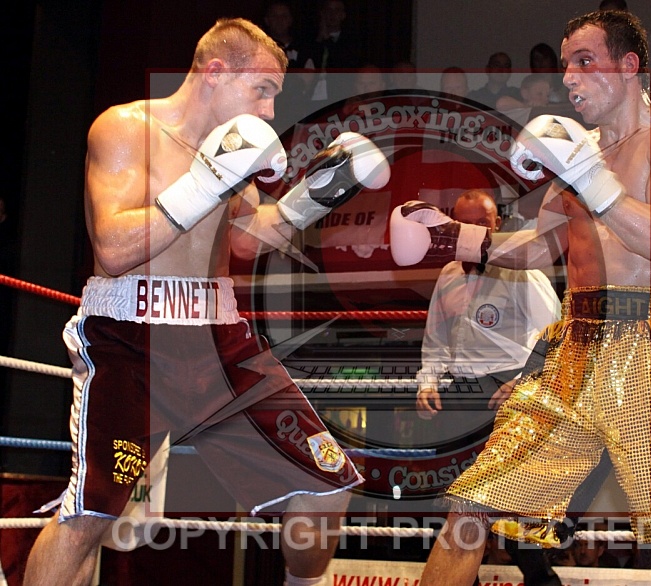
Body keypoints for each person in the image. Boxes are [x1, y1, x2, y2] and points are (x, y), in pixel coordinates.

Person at [390, 9, 651, 586]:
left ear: (629, 66)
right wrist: (451, 235)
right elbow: (535, 248)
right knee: (472, 508)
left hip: (649, 348)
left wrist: (589, 175)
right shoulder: (577, 156)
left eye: (585, 61)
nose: (570, 78)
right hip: (573, 353)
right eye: (566, 66)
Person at [22, 18, 390, 586]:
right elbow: (113, 248)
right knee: (91, 513)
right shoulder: (126, 128)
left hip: (219, 338)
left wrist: (319, 192)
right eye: (262, 90)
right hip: (130, 335)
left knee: (325, 488)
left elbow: (248, 238)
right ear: (215, 73)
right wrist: (205, 181)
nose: (269, 111)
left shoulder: (231, 147)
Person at [415, 189, 562, 586]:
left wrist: (524, 380)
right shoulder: (448, 274)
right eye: (465, 223)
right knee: (451, 501)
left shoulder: (520, 268)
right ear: (453, 226)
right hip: (460, 395)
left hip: (505, 392)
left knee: (506, 505)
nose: (474, 230)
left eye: (482, 222)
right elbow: (437, 339)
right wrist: (428, 381)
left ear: (497, 224)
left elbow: (552, 332)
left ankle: (544, 582)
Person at [261, 1, 315, 131]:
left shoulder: (304, 48)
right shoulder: (261, 49)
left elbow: (308, 80)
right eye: (275, 16)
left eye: (284, 16)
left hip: (299, 112)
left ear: (290, 19)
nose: (280, 20)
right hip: (271, 114)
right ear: (267, 20)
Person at [309, 0, 361, 104]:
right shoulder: (311, 38)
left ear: (343, 15)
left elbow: (341, 63)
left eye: (337, 10)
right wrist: (319, 39)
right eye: (329, 10)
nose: (332, 14)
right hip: (312, 95)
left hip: (337, 97)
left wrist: (327, 39)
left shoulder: (350, 40)